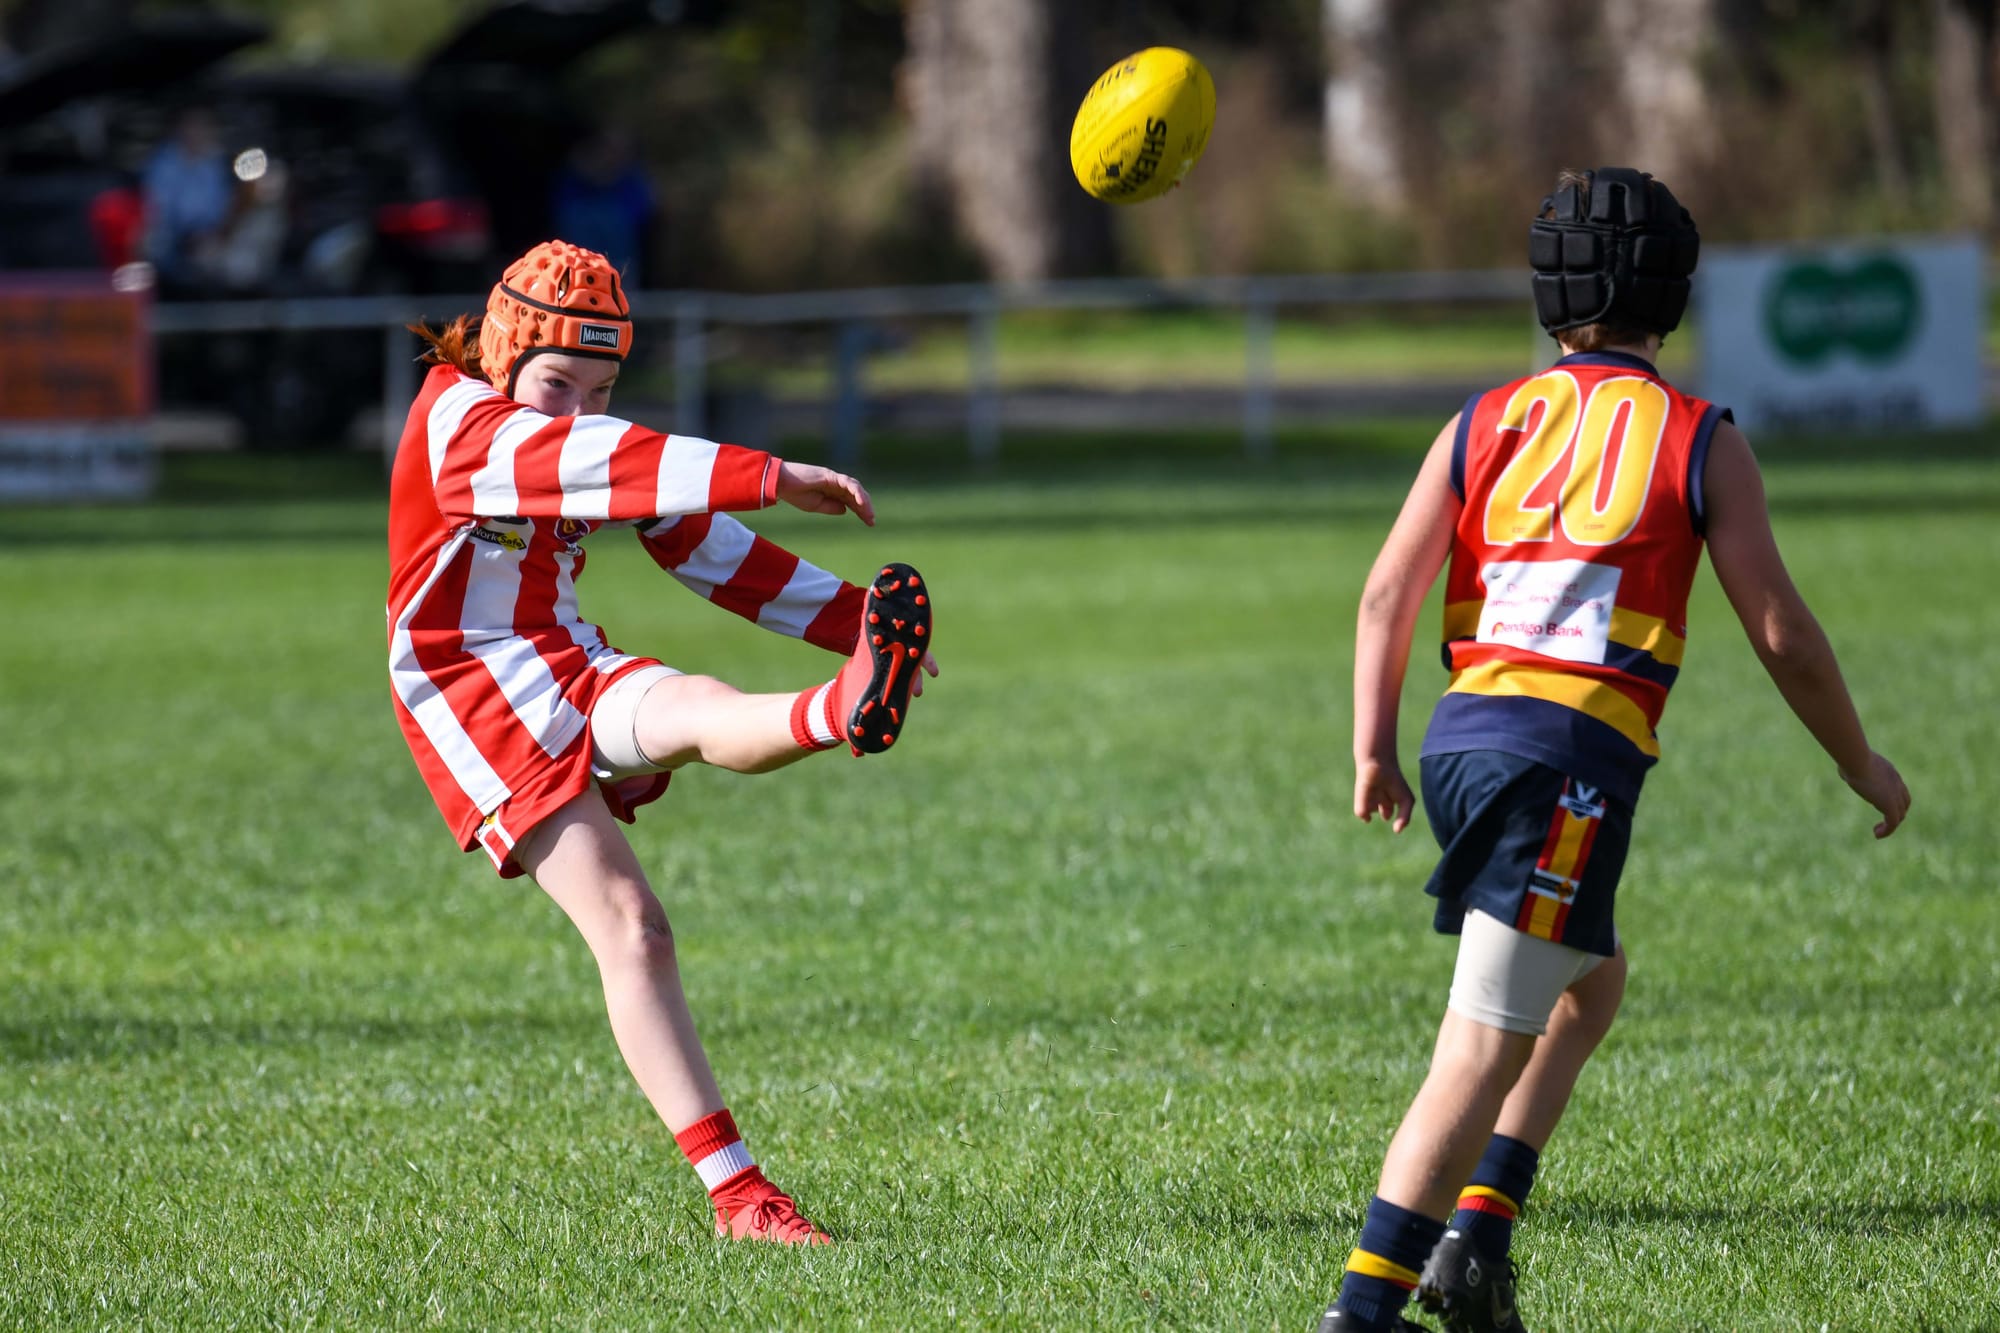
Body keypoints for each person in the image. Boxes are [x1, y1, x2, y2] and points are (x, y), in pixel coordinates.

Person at [1313, 168, 1910, 1332]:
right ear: (1670, 295)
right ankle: (1360, 1311)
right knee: (1479, 1046)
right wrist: (1857, 760)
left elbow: (1385, 592)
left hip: (1464, 739)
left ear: (1547, 289)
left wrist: (1368, 750)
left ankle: (1475, 1244)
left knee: (1588, 986)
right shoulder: (1697, 438)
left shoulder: (1481, 420)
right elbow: (1781, 633)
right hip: (1565, 764)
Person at [387, 239, 938, 1245]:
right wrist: (767, 472)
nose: (574, 409)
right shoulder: (458, 419)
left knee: (691, 706)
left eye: (597, 390)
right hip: (466, 679)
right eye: (557, 382)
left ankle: (844, 706)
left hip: (557, 649)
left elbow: (697, 539)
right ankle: (738, 1195)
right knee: (628, 925)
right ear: (506, 351)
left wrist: (854, 620)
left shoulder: (569, 432)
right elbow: (595, 461)